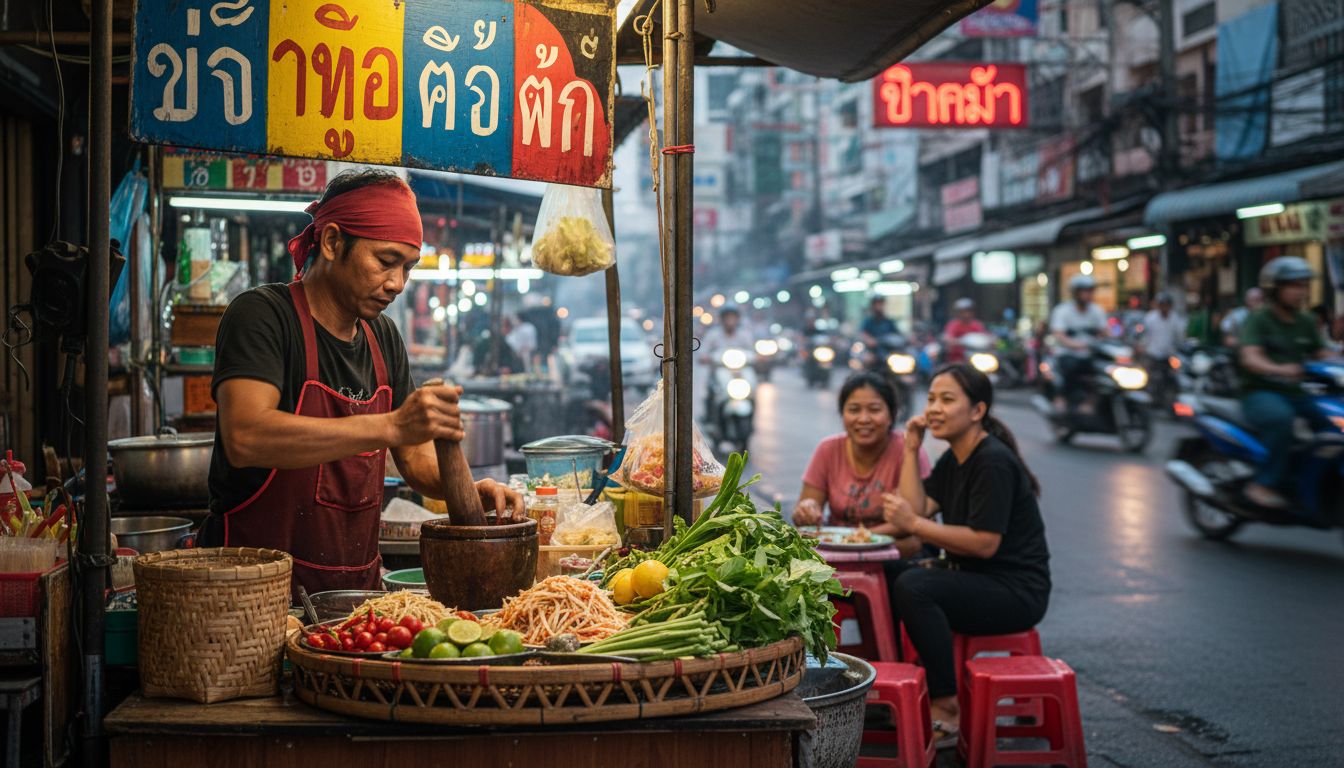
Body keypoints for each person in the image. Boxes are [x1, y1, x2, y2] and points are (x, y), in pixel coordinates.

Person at [202, 170, 523, 597]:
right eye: (385, 261)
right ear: (333, 242)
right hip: (248, 598)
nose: (397, 284)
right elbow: (246, 436)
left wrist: (469, 489)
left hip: (354, 595)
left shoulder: (383, 337)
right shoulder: (263, 316)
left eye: (408, 268)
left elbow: (415, 459)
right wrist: (389, 425)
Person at [884, 363, 1051, 746]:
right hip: (978, 579)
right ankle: (907, 683)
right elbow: (918, 506)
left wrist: (915, 523)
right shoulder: (954, 457)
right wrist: (911, 449)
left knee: (916, 586)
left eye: (947, 400)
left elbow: (984, 542)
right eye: (930, 400)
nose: (935, 409)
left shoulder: (991, 461)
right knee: (894, 572)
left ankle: (946, 703)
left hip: (1016, 591)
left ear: (977, 411)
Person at [792, 372, 931, 557]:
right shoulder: (828, 449)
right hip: (838, 550)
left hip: (892, 552)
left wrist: (857, 539)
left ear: (891, 415)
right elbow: (806, 515)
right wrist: (806, 509)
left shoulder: (910, 450)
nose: (864, 419)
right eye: (854, 409)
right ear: (843, 414)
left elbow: (914, 520)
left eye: (874, 409)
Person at [1238, 257, 1333, 509]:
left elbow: (1322, 354)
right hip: (1260, 393)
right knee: (1282, 420)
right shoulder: (1259, 319)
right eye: (1293, 285)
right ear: (1275, 289)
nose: (1300, 292)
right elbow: (1251, 357)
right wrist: (1279, 369)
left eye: (1303, 285)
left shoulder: (1305, 321)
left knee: (1331, 423)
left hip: (1297, 393)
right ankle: (1263, 483)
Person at [1048, 274, 1108, 411]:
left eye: (1089, 291)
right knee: (1070, 366)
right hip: (1067, 353)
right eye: (1084, 291)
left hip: (1091, 353)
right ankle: (1061, 397)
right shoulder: (1062, 311)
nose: (1087, 295)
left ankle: (1092, 401)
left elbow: (1105, 331)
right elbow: (1059, 335)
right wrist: (1076, 345)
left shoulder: (1097, 311)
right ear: (1076, 293)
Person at [941, 298, 986, 365]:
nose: (966, 314)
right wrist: (955, 341)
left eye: (968, 311)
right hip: (958, 359)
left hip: (976, 358)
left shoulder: (977, 325)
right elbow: (947, 337)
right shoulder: (953, 325)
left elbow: (984, 337)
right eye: (963, 312)